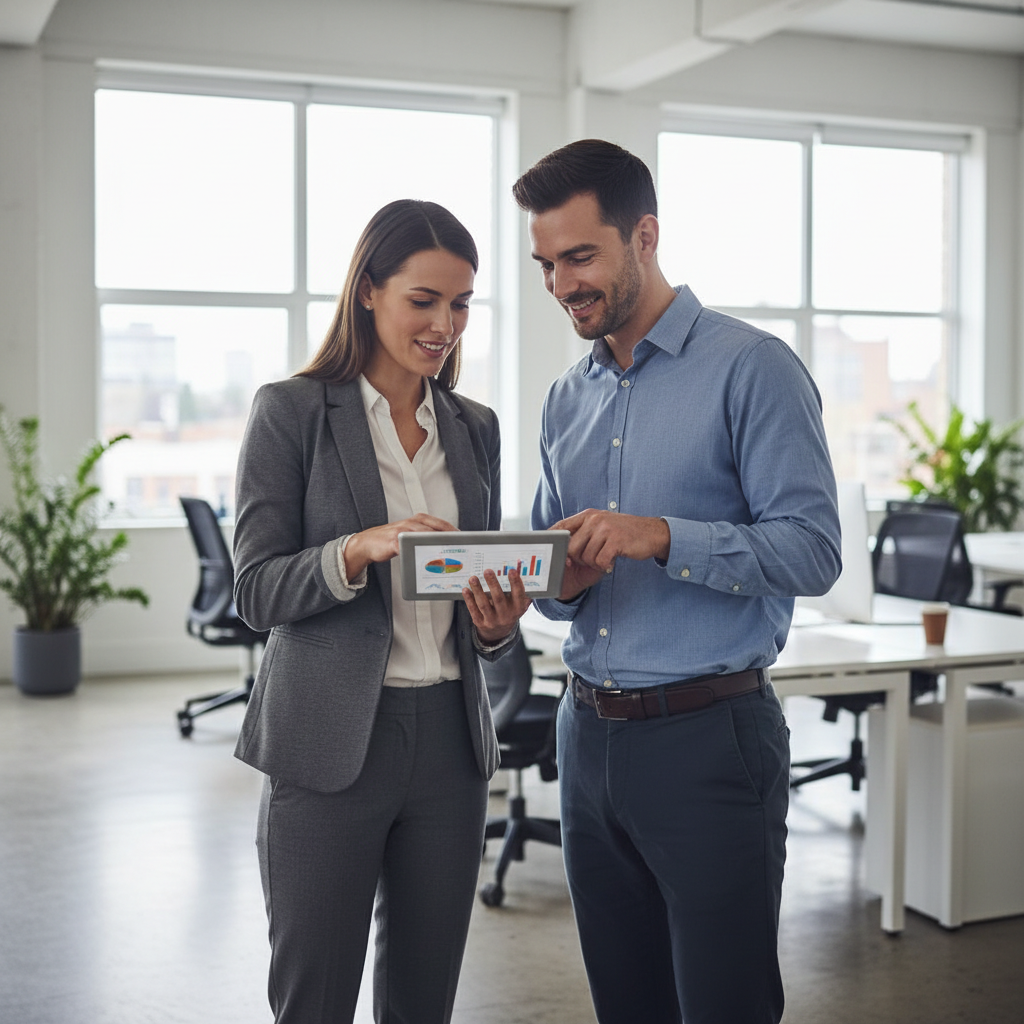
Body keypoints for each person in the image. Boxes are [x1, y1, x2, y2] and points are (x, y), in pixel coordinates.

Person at [514, 140, 842, 1024]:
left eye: (580, 257)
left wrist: (661, 536)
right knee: (626, 1003)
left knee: (723, 1004)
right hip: (586, 739)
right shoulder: (564, 399)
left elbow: (812, 551)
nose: (561, 285)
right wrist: (551, 579)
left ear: (644, 235)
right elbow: (555, 588)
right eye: (546, 264)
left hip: (709, 740)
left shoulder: (752, 367)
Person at [231, 199, 531, 1024]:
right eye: (424, 300)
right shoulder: (291, 412)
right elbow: (254, 591)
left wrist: (497, 622)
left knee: (423, 1001)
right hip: (330, 741)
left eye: (462, 303)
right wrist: (358, 549)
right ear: (368, 291)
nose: (446, 325)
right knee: (315, 997)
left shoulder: (474, 428)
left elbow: (474, 613)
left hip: (449, 744)